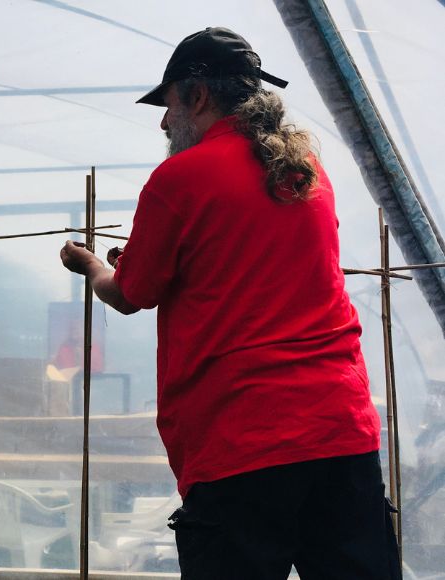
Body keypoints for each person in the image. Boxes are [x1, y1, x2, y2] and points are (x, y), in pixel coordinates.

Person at [60, 27, 401, 579]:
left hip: (242, 440)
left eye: (168, 105)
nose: (164, 122)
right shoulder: (305, 171)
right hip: (339, 434)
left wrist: (94, 266)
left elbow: (129, 297)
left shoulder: (180, 178)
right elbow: (254, 268)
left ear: (197, 96)